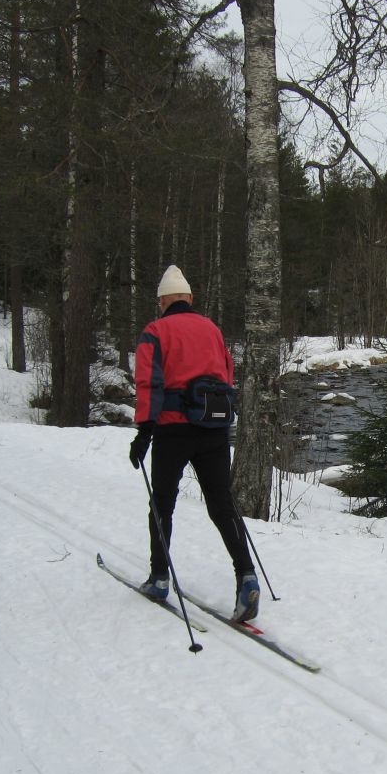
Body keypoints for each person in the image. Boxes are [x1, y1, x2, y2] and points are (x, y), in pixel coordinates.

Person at [128, 264, 260, 622]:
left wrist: (143, 432)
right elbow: (228, 373)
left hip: (173, 431)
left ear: (163, 301)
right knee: (221, 504)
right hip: (214, 430)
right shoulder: (212, 329)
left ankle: (158, 578)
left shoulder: (154, 332)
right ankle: (246, 575)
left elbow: (148, 384)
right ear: (189, 298)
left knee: (162, 505)